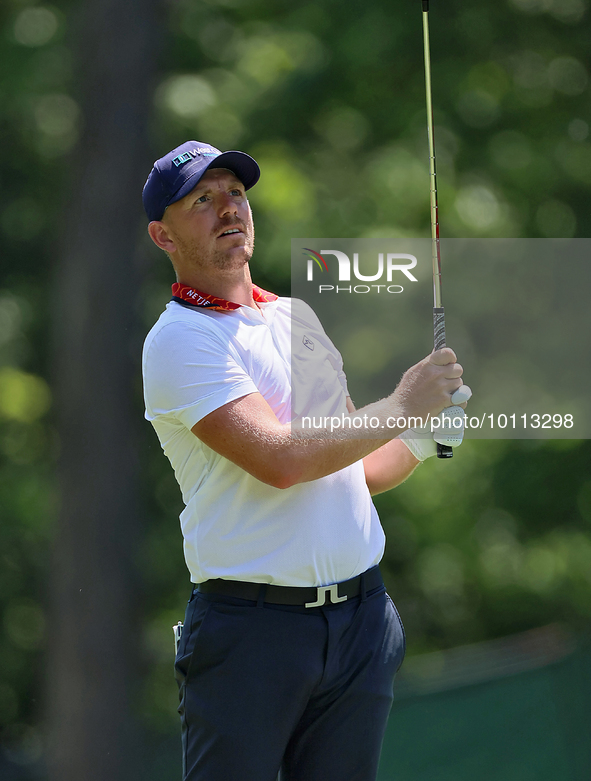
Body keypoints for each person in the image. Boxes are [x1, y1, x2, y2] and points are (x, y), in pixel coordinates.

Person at [141, 140, 468, 781]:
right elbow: (280, 461)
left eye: (236, 193)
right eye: (202, 200)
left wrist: (426, 436)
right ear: (163, 235)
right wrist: (403, 403)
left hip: (361, 624)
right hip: (251, 637)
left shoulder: (296, 317)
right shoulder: (179, 340)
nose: (229, 209)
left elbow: (350, 470)